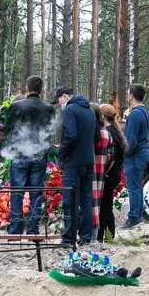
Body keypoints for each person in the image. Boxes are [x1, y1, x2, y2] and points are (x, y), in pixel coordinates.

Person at [3, 76, 57, 235]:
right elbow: (49, 131)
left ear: (27, 87)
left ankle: (16, 229)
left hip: (20, 154)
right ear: (42, 89)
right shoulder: (48, 108)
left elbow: (9, 129)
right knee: (36, 193)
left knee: (17, 193)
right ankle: (33, 230)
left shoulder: (16, 106)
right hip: (38, 154)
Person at [52, 86, 98, 244]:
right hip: (88, 161)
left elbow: (71, 135)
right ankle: (86, 236)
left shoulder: (70, 110)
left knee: (70, 200)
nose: (59, 104)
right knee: (86, 200)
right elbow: (97, 135)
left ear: (65, 96)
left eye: (59, 100)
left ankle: (68, 238)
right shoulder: (90, 110)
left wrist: (61, 153)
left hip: (73, 162)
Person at [122, 84, 149, 229]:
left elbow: (130, 140)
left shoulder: (135, 114)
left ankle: (134, 216)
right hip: (142, 152)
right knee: (137, 185)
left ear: (132, 96)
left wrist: (124, 151)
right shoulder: (144, 111)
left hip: (135, 154)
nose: (127, 96)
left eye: (128, 93)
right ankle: (138, 215)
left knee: (133, 186)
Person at [98, 104, 126, 242]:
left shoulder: (108, 132)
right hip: (114, 173)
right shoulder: (115, 130)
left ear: (103, 116)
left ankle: (107, 236)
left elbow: (110, 156)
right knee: (105, 206)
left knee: (105, 207)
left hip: (109, 173)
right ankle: (105, 235)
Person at [90, 103, 113, 238]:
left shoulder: (87, 133)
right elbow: (111, 155)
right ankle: (95, 234)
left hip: (88, 171)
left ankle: (88, 234)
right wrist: (104, 166)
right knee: (96, 204)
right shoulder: (106, 134)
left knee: (87, 204)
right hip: (100, 172)